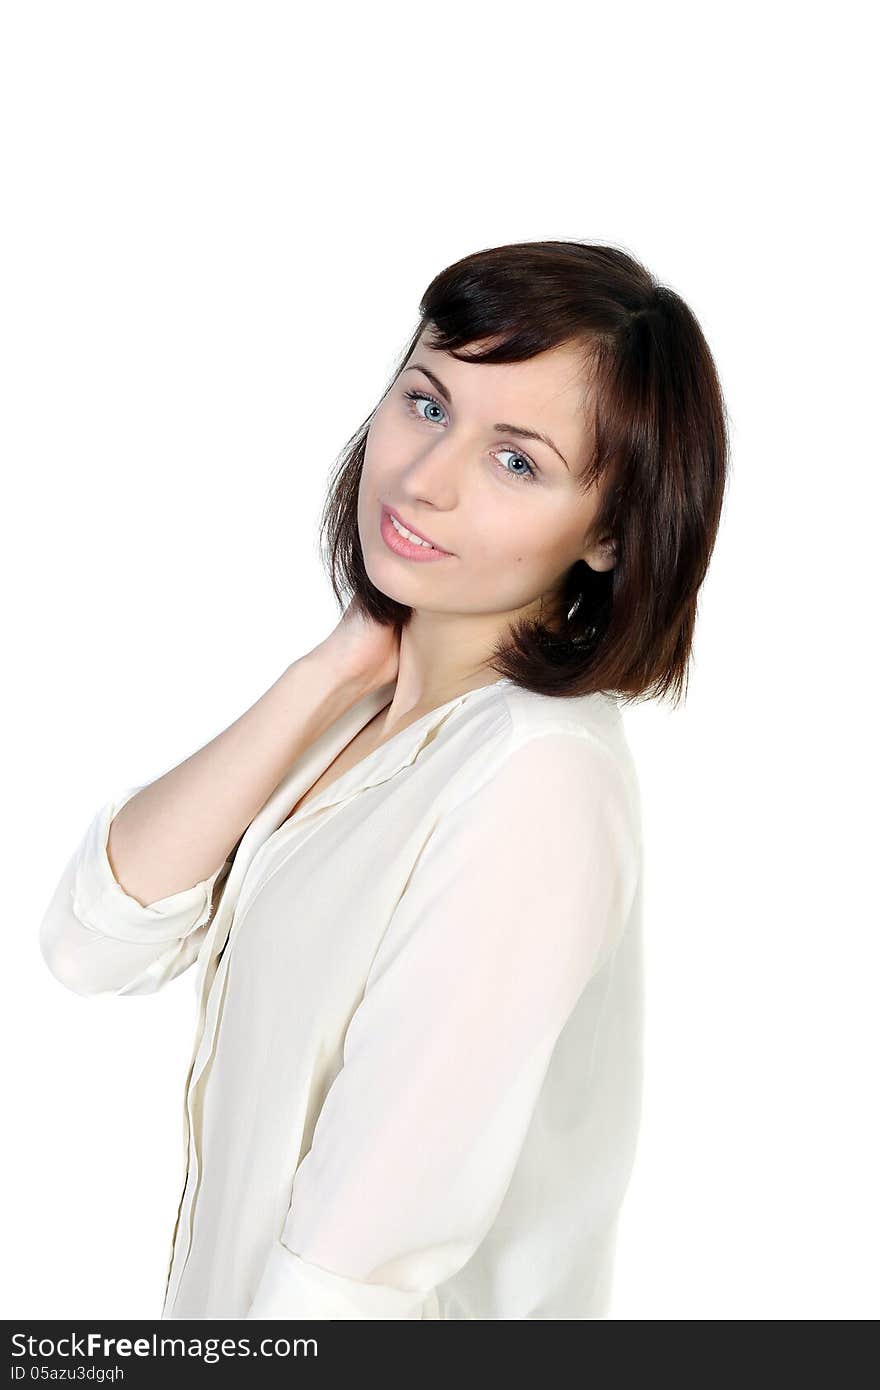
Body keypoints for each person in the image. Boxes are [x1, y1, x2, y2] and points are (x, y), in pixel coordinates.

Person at [38, 239, 729, 1320]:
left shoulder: (536, 780)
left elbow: (354, 1266)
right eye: (426, 402)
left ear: (607, 533)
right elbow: (92, 940)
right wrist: (329, 669)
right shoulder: (370, 707)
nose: (422, 476)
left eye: (517, 461)